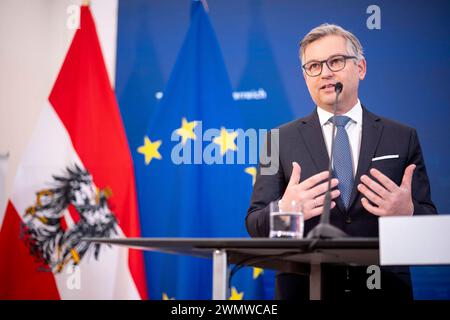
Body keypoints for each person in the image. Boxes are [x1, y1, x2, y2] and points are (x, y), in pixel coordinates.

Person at [246, 23, 437, 300]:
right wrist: (285, 212)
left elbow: (430, 229)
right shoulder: (277, 140)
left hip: (384, 289)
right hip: (306, 289)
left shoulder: (402, 137)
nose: (324, 72)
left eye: (335, 61)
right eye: (313, 66)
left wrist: (407, 214)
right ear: (305, 76)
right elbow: (255, 226)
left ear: (360, 68)